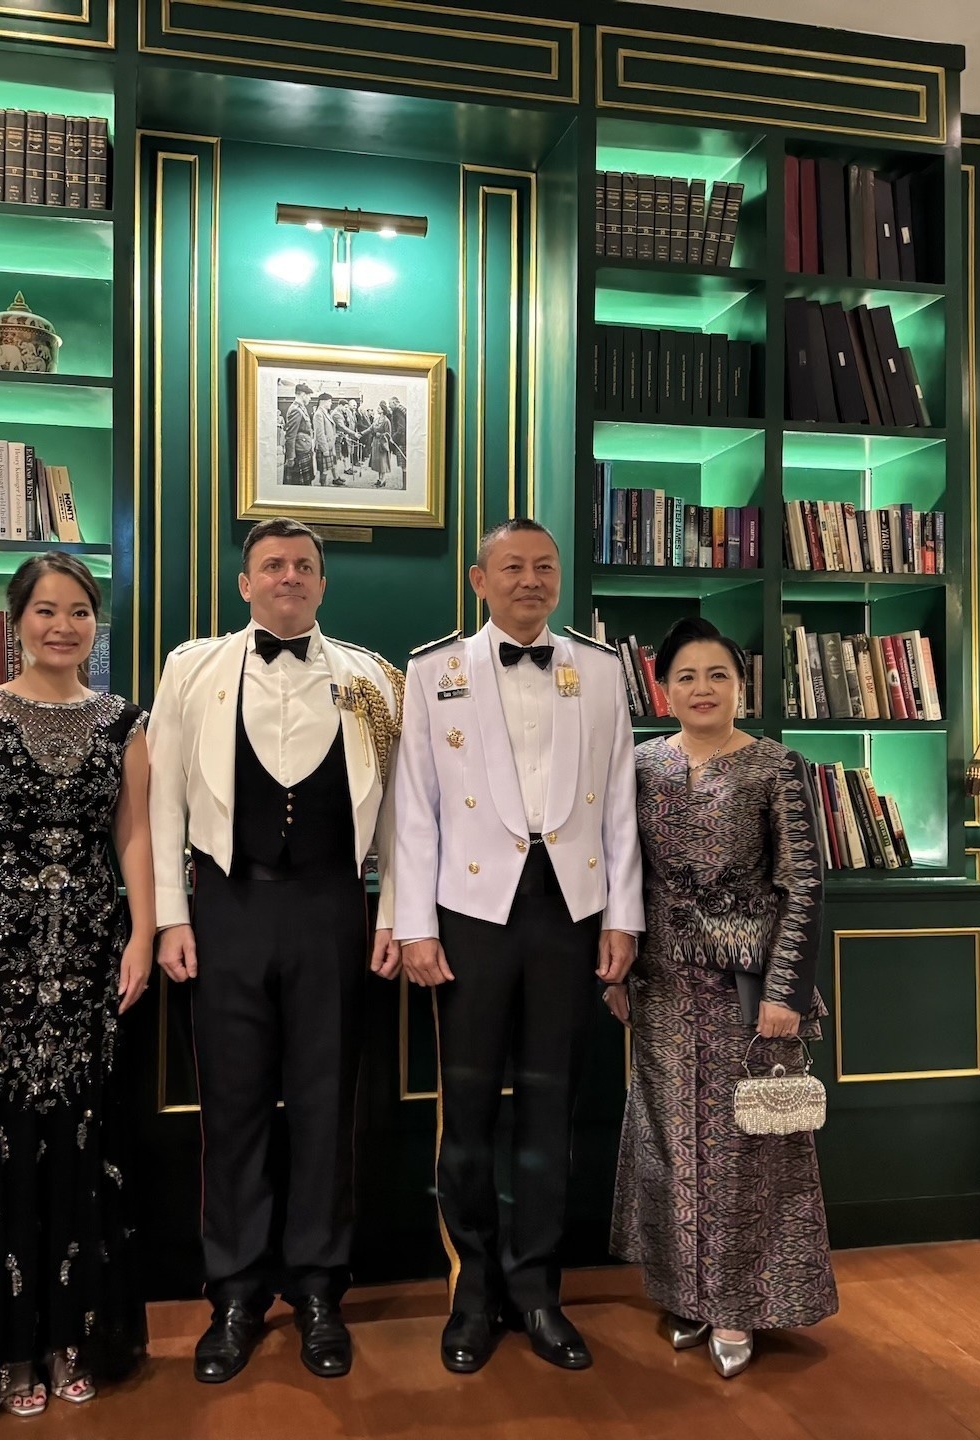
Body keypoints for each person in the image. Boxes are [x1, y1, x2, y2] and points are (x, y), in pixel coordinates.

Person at [148, 517, 404, 1384]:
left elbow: (402, 809)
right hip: (228, 904)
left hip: (334, 906)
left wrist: (394, 914)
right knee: (233, 1108)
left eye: (302, 566)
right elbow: (163, 801)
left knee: (328, 1108)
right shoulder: (191, 669)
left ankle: (321, 1290)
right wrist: (171, 916)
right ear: (246, 583)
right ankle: (234, 1295)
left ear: (322, 584)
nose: (288, 576)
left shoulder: (375, 679)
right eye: (271, 565)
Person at [0, 552, 153, 1419]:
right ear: (17, 621)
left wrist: (143, 933)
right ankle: (6, 1350)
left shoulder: (123, 721)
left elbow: (134, 836)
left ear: (95, 623)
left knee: (83, 1139)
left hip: (89, 954)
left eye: (79, 611)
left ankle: (69, 1338)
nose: (62, 626)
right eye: (46, 610)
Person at [394, 517, 642, 1375]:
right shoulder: (434, 670)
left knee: (550, 1108)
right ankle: (473, 1293)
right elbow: (415, 806)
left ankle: (538, 1290)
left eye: (544, 566)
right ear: (479, 579)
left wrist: (622, 916)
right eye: (512, 567)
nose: (530, 580)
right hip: (470, 911)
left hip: (570, 911)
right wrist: (415, 925)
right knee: (465, 1111)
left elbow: (619, 802)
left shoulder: (599, 669)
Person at [607, 616, 838, 1380]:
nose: (702, 689)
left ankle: (739, 1303)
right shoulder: (641, 764)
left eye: (717, 676)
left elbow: (803, 883)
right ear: (663, 689)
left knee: (747, 1152)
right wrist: (618, 974)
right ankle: (689, 1294)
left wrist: (785, 991)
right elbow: (621, 873)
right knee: (670, 1143)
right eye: (686, 677)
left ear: (741, 687)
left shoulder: (775, 764)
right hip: (661, 984)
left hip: (747, 987)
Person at [282, 381, 314, 486]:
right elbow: (290, 436)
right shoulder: (296, 410)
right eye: (309, 396)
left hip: (303, 449)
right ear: (303, 395)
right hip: (299, 453)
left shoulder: (301, 408)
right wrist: (290, 457)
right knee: (298, 485)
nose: (310, 398)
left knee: (305, 483)